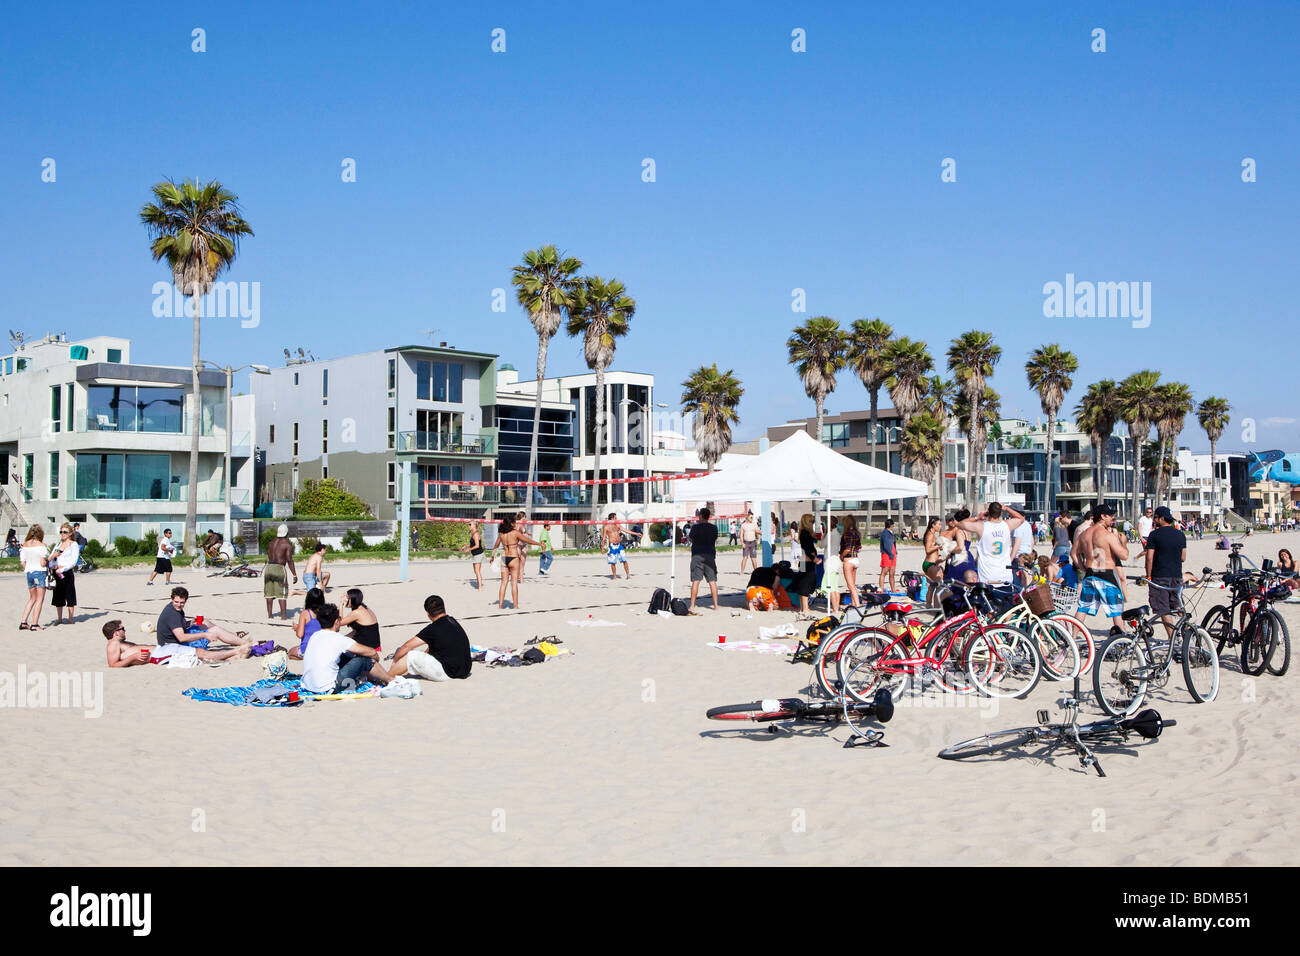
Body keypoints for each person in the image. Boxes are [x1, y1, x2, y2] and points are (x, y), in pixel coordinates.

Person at [301, 603, 395, 695]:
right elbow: (372, 652)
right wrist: (374, 659)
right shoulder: (339, 639)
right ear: (336, 622)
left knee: (346, 656)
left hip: (308, 685)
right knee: (363, 659)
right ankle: (392, 681)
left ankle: (373, 677)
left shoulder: (315, 635)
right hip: (327, 688)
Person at [387, 594, 472, 681]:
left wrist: (394, 662)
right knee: (425, 649)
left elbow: (407, 646)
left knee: (411, 655)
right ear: (443, 608)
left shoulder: (433, 628)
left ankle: (386, 677)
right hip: (464, 670)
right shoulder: (452, 621)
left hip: (449, 673)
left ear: (427, 613)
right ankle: (399, 670)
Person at [1072, 504, 1130, 631]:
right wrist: (1124, 542)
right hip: (1106, 574)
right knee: (1116, 611)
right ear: (1103, 516)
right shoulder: (1106, 535)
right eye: (1110, 516)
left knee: (1083, 609)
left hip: (1090, 573)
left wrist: (1082, 567)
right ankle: (1122, 638)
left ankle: (1072, 638)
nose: (1113, 519)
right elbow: (1124, 555)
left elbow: (1074, 553)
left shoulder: (1084, 534)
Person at [104, 619, 249, 666]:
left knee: (195, 657)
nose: (124, 630)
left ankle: (234, 657)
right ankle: (236, 651)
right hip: (158, 655)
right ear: (115, 633)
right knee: (198, 653)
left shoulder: (120, 643)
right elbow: (113, 664)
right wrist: (133, 658)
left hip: (160, 653)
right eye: (122, 628)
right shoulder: (113, 643)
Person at [955, 503, 1025, 587]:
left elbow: (960, 524)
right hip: (1005, 576)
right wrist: (1006, 508)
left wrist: (977, 517)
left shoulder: (981, 526)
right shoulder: (1007, 525)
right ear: (1001, 513)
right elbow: (1021, 518)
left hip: (987, 577)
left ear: (988, 512)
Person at [1143, 506, 1187, 637]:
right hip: (1176, 575)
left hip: (1160, 575)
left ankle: (1172, 636)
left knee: (1163, 608)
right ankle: (1184, 629)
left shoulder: (1154, 535)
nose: (1154, 520)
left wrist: (1148, 575)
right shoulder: (1180, 534)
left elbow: (1149, 557)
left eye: (1155, 517)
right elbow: (1183, 557)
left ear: (1161, 518)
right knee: (1177, 604)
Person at [157, 586, 252, 646]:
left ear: (186, 601)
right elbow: (181, 637)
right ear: (172, 599)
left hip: (175, 640)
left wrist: (190, 623)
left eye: (182, 603)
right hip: (175, 645)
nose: (179, 604)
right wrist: (205, 634)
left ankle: (233, 636)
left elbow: (177, 627)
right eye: (176, 602)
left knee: (204, 622)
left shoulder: (174, 609)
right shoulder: (173, 614)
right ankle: (247, 644)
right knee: (215, 630)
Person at [495, 516, 541, 609]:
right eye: (514, 522)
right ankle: (515, 606)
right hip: (513, 557)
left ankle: (500, 605)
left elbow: (495, 545)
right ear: (511, 523)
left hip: (504, 558)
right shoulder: (515, 533)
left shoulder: (501, 533)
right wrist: (539, 544)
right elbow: (528, 540)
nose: (516, 524)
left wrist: (492, 556)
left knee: (503, 583)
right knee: (514, 583)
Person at [47, 522, 80, 625]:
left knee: (70, 594)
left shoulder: (73, 545)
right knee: (58, 595)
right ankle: (60, 618)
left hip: (66, 573)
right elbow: (51, 557)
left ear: (70, 533)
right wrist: (53, 565)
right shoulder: (58, 544)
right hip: (56, 572)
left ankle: (70, 619)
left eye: (65, 532)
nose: (62, 534)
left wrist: (62, 569)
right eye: (61, 532)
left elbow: (73, 561)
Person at [688, 507, 720, 612]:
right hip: (710, 555)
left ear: (701, 516)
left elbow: (691, 539)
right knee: (712, 581)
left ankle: (692, 606)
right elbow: (715, 538)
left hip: (697, 555)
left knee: (696, 581)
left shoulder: (695, 527)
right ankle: (715, 605)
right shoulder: (714, 528)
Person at [263, 524, 298, 619]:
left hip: (268, 568)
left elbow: (269, 556)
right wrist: (294, 575)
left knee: (269, 594)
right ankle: (283, 616)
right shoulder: (286, 544)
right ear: (286, 533)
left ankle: (270, 615)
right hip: (279, 568)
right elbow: (289, 560)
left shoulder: (271, 543)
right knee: (282, 593)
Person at [19, 524, 48, 631]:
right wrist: (47, 561)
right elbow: (42, 562)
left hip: (29, 572)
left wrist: (29, 568)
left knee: (32, 598)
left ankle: (23, 622)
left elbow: (22, 563)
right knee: (40, 599)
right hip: (39, 572)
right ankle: (35, 624)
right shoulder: (41, 545)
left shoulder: (25, 545)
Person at [338, 587, 382, 651]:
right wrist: (343, 638)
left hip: (367, 645)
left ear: (353, 599)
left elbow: (340, 622)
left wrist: (341, 605)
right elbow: (358, 630)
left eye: (347, 598)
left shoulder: (357, 612)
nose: (345, 600)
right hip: (374, 643)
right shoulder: (364, 608)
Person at [290, 587, 326, 660]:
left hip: (308, 648)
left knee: (290, 653)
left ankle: (305, 658)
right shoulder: (325, 612)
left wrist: (297, 628)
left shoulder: (305, 613)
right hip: (322, 648)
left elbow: (300, 635)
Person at [839, 514, 863, 607]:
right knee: (853, 584)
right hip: (856, 559)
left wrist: (841, 556)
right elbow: (859, 548)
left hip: (848, 560)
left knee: (850, 586)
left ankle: (857, 604)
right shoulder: (857, 533)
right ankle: (854, 603)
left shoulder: (847, 534)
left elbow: (847, 549)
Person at [602, 513, 631, 580]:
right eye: (615, 518)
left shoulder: (617, 525)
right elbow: (604, 538)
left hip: (619, 546)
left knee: (624, 561)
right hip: (612, 547)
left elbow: (627, 531)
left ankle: (628, 575)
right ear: (612, 519)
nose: (616, 519)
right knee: (612, 563)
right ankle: (614, 577)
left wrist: (636, 533)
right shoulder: (606, 527)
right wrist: (602, 548)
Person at [463, 520, 486, 588]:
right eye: (469, 524)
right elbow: (472, 543)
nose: (469, 526)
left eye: (470, 524)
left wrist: (469, 549)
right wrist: (466, 546)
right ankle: (480, 585)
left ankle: (480, 588)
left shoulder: (475, 534)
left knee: (477, 571)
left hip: (478, 554)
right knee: (476, 571)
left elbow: (477, 545)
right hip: (476, 554)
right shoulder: (474, 533)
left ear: (474, 525)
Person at [921, 517, 943, 587]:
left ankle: (929, 598)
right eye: (939, 524)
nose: (940, 526)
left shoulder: (931, 534)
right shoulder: (930, 535)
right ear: (933, 525)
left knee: (931, 587)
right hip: (930, 563)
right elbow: (927, 550)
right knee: (938, 586)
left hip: (931, 563)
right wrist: (937, 547)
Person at [878, 517, 898, 592]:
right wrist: (890, 554)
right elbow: (886, 546)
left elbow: (893, 544)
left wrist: (895, 552)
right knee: (884, 572)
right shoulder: (885, 533)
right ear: (891, 525)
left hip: (893, 554)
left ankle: (893, 590)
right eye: (893, 525)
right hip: (886, 554)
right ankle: (881, 589)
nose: (893, 526)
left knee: (892, 573)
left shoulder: (891, 533)